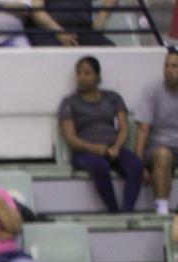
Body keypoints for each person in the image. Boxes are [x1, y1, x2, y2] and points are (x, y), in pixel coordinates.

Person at [60, 55, 144, 214]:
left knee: (135, 165)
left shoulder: (113, 98)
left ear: (98, 76)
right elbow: (70, 137)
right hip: (85, 152)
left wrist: (116, 147)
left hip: (113, 148)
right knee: (100, 166)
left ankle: (128, 209)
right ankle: (113, 210)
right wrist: (94, 148)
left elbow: (124, 127)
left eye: (87, 73)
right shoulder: (69, 102)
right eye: (79, 73)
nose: (82, 78)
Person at [136, 47, 178, 215]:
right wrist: (138, 165)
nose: (169, 70)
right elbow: (143, 129)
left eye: (174, 66)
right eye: (166, 65)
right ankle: (162, 209)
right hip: (157, 148)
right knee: (163, 155)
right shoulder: (152, 89)